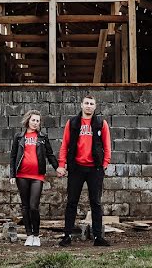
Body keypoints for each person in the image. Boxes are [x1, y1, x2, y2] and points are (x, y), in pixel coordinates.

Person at [57, 93, 112, 247]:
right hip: (76, 168)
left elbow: (107, 146)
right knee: (71, 202)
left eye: (91, 104)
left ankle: (97, 238)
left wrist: (104, 164)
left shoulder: (101, 123)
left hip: (95, 168)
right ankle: (67, 236)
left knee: (96, 203)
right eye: (86, 103)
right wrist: (62, 164)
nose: (88, 106)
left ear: (95, 107)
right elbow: (64, 145)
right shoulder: (72, 122)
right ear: (81, 105)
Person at [9, 109, 58, 246]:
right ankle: (29, 235)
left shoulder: (42, 137)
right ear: (28, 120)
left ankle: (36, 235)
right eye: (33, 120)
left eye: (38, 120)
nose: (35, 123)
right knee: (25, 206)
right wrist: (12, 174)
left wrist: (57, 167)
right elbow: (13, 157)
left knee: (33, 206)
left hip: (37, 176)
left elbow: (50, 154)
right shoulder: (19, 137)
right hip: (21, 175)